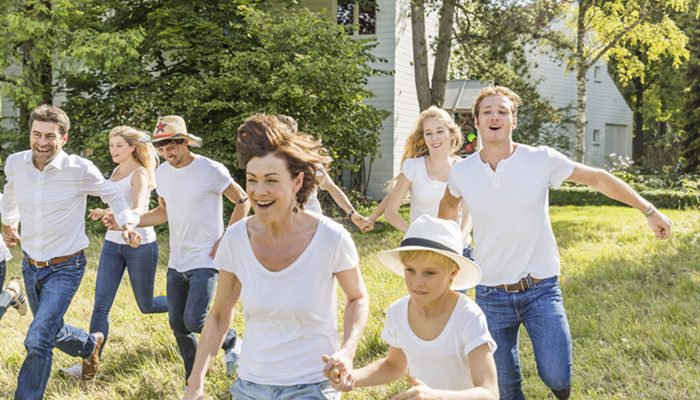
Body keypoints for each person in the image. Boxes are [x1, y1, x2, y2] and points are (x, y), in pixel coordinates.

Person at [438, 86, 673, 400]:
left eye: (503, 111)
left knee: (557, 375)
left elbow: (598, 178)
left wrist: (649, 209)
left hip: (540, 288)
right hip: (491, 294)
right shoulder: (463, 172)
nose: (495, 116)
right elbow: (448, 205)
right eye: (487, 112)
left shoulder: (540, 160)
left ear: (514, 121)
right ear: (476, 123)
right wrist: (445, 246)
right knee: (503, 389)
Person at [183, 114, 369, 400]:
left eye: (271, 180)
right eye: (252, 180)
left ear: (298, 182)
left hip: (313, 386)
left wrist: (348, 349)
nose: (259, 192)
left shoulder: (331, 238)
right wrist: (195, 385)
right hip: (249, 386)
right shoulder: (235, 239)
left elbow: (357, 297)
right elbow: (219, 316)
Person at [1, 104, 141, 399]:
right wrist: (8, 223)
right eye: (36, 134)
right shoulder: (16, 163)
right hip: (30, 265)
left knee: (38, 338)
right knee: (51, 328)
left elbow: (113, 193)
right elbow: (11, 190)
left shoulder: (78, 169)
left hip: (66, 267)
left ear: (63, 138)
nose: (42, 142)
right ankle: (90, 346)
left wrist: (127, 223)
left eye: (50, 136)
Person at [329, 214, 498, 399]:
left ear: (453, 273)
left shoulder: (468, 317)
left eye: (430, 273)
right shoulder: (398, 312)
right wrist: (350, 376)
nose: (417, 282)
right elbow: (393, 366)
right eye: (410, 270)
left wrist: (436, 396)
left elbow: (489, 392)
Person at [135, 115, 250, 385]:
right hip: (177, 260)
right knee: (177, 324)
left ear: (185, 143)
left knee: (195, 320)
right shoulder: (161, 173)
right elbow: (162, 212)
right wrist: (128, 220)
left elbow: (243, 200)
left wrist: (227, 238)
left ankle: (233, 342)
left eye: (171, 148)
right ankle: (193, 381)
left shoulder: (211, 170)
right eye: (161, 150)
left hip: (207, 259)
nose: (166, 154)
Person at [59, 126, 168, 377]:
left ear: (132, 147)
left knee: (147, 304)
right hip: (112, 244)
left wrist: (123, 221)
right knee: (100, 306)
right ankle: (89, 363)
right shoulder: (117, 171)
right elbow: (119, 204)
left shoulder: (140, 173)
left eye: (119, 145)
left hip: (138, 243)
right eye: (111, 145)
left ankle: (189, 307)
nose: (113, 150)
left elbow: (139, 209)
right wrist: (105, 213)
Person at [362, 106, 475, 262]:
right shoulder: (413, 166)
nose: (434, 138)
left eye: (440, 131)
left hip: (458, 251)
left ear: (452, 133)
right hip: (421, 250)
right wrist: (417, 235)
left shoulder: (465, 169)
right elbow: (391, 212)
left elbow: (469, 214)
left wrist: (458, 244)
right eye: (428, 133)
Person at [276, 115, 368, 228]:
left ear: (293, 135)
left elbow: (331, 188)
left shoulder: (307, 161)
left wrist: (352, 213)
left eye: (283, 132)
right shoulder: (268, 161)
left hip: (310, 225)